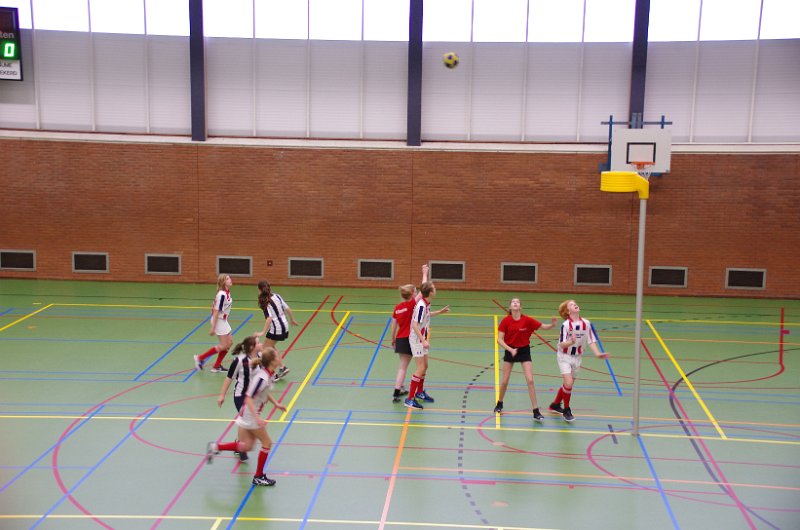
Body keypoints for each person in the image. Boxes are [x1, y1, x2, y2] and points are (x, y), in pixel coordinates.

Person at [206, 347, 287, 487]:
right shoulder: (262, 377)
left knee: (246, 446)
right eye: (277, 355)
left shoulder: (267, 375)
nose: (280, 357)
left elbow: (263, 392)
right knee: (267, 443)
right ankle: (259, 476)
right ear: (272, 361)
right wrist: (257, 418)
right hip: (251, 415)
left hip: (247, 413)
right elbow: (248, 397)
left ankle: (215, 447)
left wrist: (276, 404)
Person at [494, 298, 558, 421]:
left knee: (530, 380)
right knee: (504, 381)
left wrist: (552, 325)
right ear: (510, 307)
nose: (515, 303)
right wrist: (510, 349)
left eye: (517, 302)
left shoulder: (527, 320)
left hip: (524, 351)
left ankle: (536, 411)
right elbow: (499, 339)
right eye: (513, 302)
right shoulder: (506, 321)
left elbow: (543, 326)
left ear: (520, 307)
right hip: (510, 350)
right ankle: (499, 403)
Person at [549, 299, 609, 422]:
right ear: (567, 311)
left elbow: (591, 340)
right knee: (568, 383)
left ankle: (555, 405)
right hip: (564, 356)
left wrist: (598, 354)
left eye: (575, 303)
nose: (575, 304)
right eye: (571, 304)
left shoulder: (586, 323)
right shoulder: (566, 325)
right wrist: (570, 342)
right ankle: (567, 410)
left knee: (568, 384)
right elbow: (561, 344)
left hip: (577, 357)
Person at [404, 282, 450, 410]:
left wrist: (440, 312)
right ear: (430, 292)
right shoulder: (421, 306)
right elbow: (414, 325)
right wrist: (422, 340)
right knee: (420, 368)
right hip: (417, 340)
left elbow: (427, 315)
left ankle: (419, 392)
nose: (435, 289)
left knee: (425, 366)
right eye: (434, 288)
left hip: (421, 338)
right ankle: (409, 399)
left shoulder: (426, 303)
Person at [216, 336, 262, 462]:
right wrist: (222, 395)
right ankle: (239, 448)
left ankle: (238, 443)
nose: (261, 344)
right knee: (248, 421)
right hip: (240, 396)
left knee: (246, 422)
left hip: (253, 397)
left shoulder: (260, 357)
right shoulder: (240, 361)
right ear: (252, 347)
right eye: (258, 343)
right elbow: (229, 377)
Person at [389, 264, 429, 402]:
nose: (417, 293)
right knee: (420, 366)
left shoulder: (397, 308)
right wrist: (424, 273)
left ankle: (397, 392)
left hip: (400, 338)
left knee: (402, 367)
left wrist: (393, 339)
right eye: (415, 291)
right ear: (412, 294)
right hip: (411, 338)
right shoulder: (412, 304)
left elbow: (393, 326)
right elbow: (424, 289)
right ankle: (418, 391)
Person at [253, 280, 299, 381]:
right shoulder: (277, 296)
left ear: (259, 290)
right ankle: (282, 367)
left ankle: (272, 374)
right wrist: (292, 320)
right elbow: (288, 308)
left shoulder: (264, 302)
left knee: (265, 350)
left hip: (276, 328)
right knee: (272, 346)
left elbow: (269, 318)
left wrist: (262, 332)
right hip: (285, 326)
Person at [194, 274, 233, 373]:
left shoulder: (226, 292)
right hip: (218, 321)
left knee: (229, 342)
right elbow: (216, 311)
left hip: (223, 320)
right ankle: (200, 358)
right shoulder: (222, 295)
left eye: (229, 278)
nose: (230, 279)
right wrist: (213, 327)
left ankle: (216, 365)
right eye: (227, 279)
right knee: (224, 345)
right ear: (223, 282)